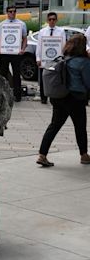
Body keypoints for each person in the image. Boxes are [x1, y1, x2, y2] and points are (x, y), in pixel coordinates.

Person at [37, 34, 90, 167]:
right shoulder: (83, 62)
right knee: (80, 127)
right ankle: (84, 155)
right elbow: (88, 82)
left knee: (54, 125)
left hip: (59, 97)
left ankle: (42, 155)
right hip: (75, 98)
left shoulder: (63, 58)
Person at [0, 6, 28, 102]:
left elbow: (25, 38)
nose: (12, 13)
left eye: (14, 11)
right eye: (10, 11)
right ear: (7, 12)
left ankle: (17, 95)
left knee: (17, 74)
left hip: (16, 53)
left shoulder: (21, 24)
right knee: (3, 74)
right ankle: (3, 95)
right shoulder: (1, 25)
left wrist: (23, 49)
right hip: (4, 52)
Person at [35, 12, 66, 104]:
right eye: (50, 19)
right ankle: (43, 98)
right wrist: (38, 58)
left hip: (56, 60)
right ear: (47, 20)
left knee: (56, 79)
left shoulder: (61, 31)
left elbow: (63, 45)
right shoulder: (42, 31)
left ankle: (54, 97)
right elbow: (39, 46)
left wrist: (62, 58)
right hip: (45, 60)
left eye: (53, 19)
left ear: (56, 20)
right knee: (43, 78)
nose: (52, 21)